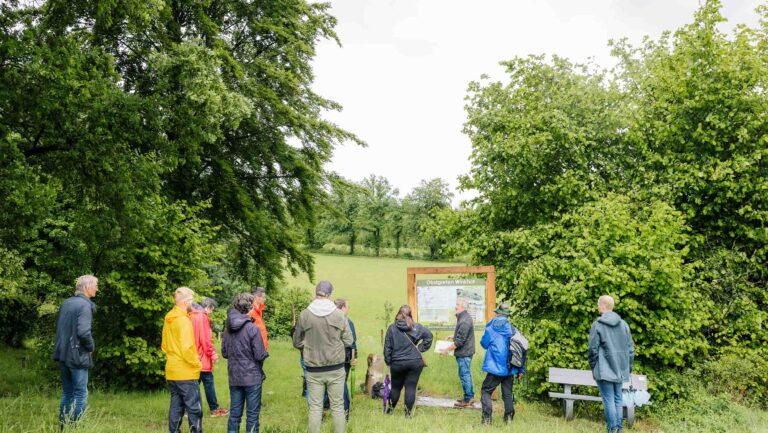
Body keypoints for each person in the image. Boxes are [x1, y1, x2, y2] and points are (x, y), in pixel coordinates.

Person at [293, 281, 353, 433]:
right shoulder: (339, 314)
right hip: (336, 368)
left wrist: (309, 346)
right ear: (329, 294)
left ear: (316, 293)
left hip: (314, 368)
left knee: (315, 408)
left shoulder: (305, 314)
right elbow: (349, 340)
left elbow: (297, 342)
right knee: (338, 407)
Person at [53, 275, 99, 429]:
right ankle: (74, 428)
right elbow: (83, 332)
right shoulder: (85, 305)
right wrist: (91, 347)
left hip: (63, 354)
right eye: (95, 285)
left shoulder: (66, 303)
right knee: (80, 394)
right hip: (77, 356)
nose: (97, 289)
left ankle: (63, 428)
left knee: (67, 393)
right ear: (87, 287)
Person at [222, 293, 269, 433]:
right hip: (252, 377)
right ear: (249, 308)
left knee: (234, 414)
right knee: (252, 415)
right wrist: (264, 355)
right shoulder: (252, 328)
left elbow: (225, 353)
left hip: (235, 375)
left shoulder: (228, 329)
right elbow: (260, 354)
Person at [588, 295, 634, 433]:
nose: (597, 306)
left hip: (604, 370)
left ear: (603, 306)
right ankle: (618, 429)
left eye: (598, 304)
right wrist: (628, 368)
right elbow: (630, 349)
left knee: (608, 399)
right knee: (618, 399)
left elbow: (592, 349)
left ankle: (612, 429)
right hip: (620, 369)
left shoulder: (598, 324)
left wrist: (593, 365)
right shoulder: (624, 325)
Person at [161, 287, 204, 433]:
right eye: (192, 301)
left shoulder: (169, 318)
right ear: (186, 302)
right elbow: (187, 349)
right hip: (186, 372)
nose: (193, 304)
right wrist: (197, 364)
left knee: (176, 406)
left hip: (172, 370)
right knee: (194, 408)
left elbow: (164, 345)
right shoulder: (183, 321)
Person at [383, 305, 433, 417]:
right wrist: (420, 349)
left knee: (396, 388)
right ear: (410, 314)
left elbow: (387, 348)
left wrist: (388, 361)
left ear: (398, 313)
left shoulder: (392, 328)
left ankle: (390, 411)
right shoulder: (417, 327)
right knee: (411, 387)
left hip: (397, 362)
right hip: (415, 362)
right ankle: (407, 415)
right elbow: (429, 336)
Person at [479, 304, 521, 425]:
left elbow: (484, 344)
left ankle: (487, 419)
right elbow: (520, 349)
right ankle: (509, 419)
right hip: (510, 367)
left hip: (495, 367)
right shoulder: (513, 329)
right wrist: (520, 370)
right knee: (507, 393)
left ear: (497, 314)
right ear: (507, 315)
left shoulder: (491, 328)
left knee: (486, 391)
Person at [190, 298, 228, 418]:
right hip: (202, 357)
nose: (211, 312)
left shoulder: (191, 315)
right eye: (212, 310)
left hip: (192, 356)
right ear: (209, 307)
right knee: (208, 383)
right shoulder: (203, 317)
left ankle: (188, 410)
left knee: (193, 384)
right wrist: (213, 354)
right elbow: (205, 339)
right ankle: (214, 409)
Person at [441, 298, 475, 408]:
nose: (455, 306)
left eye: (457, 304)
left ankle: (468, 399)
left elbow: (460, 342)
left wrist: (447, 349)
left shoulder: (464, 320)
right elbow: (462, 335)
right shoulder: (463, 318)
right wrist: (453, 336)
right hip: (465, 352)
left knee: (465, 375)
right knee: (466, 374)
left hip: (464, 353)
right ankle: (469, 397)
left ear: (463, 307)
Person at [334, 298, 357, 418]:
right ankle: (344, 409)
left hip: (330, 357)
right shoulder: (347, 322)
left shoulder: (328, 319)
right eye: (347, 306)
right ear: (342, 307)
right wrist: (354, 356)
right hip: (344, 356)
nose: (348, 309)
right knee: (342, 383)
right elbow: (352, 341)